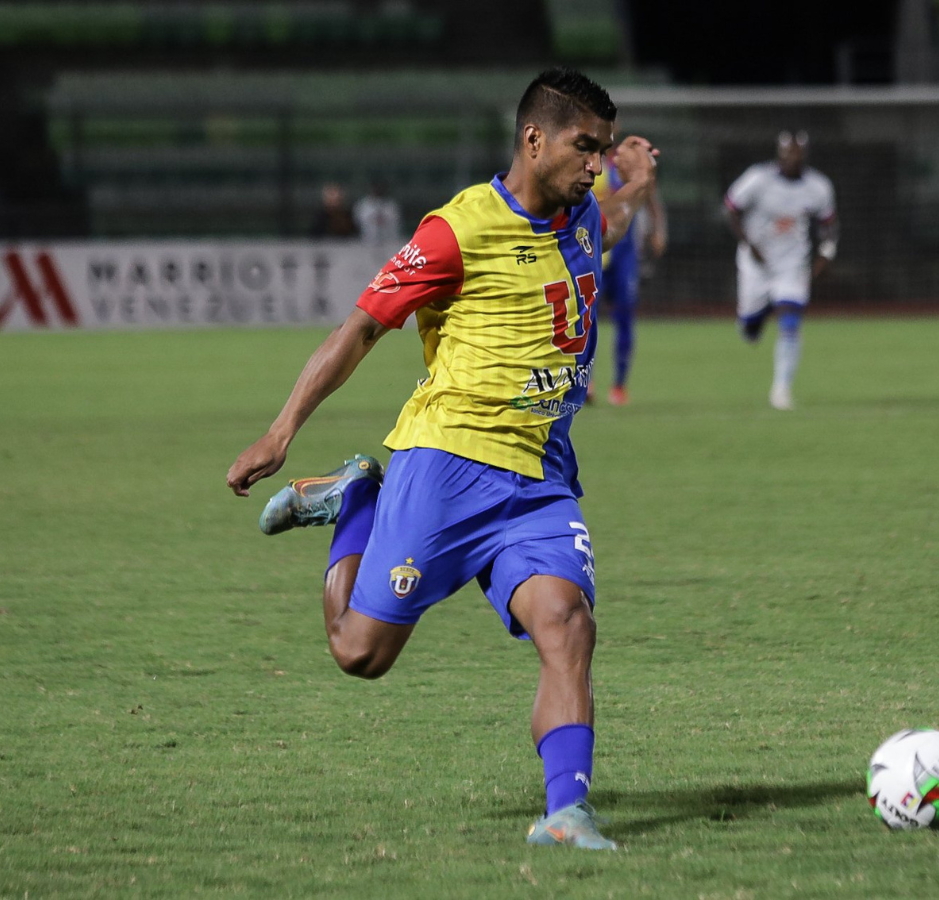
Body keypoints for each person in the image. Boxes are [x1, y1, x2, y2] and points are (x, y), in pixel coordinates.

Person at [226, 67, 659, 851]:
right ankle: (357, 499)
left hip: (541, 478)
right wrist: (281, 429)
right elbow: (359, 329)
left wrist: (635, 179)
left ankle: (566, 814)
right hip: (445, 464)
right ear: (534, 140)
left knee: (567, 625)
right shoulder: (456, 230)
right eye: (583, 147)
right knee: (359, 654)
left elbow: (615, 218)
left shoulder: (584, 212)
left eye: (600, 152)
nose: (593, 166)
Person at [723, 130, 838, 411]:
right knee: (749, 330)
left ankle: (781, 389)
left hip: (792, 264)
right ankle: (754, 319)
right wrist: (748, 244)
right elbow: (731, 208)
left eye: (797, 154)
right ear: (779, 154)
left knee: (790, 319)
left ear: (805, 155)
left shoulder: (818, 187)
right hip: (757, 264)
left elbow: (829, 227)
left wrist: (825, 255)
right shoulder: (758, 179)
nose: (791, 159)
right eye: (787, 153)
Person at [591, 143, 667, 405]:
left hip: (625, 253)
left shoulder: (624, 165)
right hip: (595, 252)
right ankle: (585, 382)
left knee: (625, 316)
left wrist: (657, 230)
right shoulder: (587, 166)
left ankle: (619, 385)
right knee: (586, 319)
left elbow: (649, 195)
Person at [352, 179, 402, 246]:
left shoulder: (391, 205)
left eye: (380, 188)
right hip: (366, 242)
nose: (378, 190)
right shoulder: (363, 205)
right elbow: (358, 221)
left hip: (389, 242)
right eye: (376, 188)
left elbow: (396, 220)